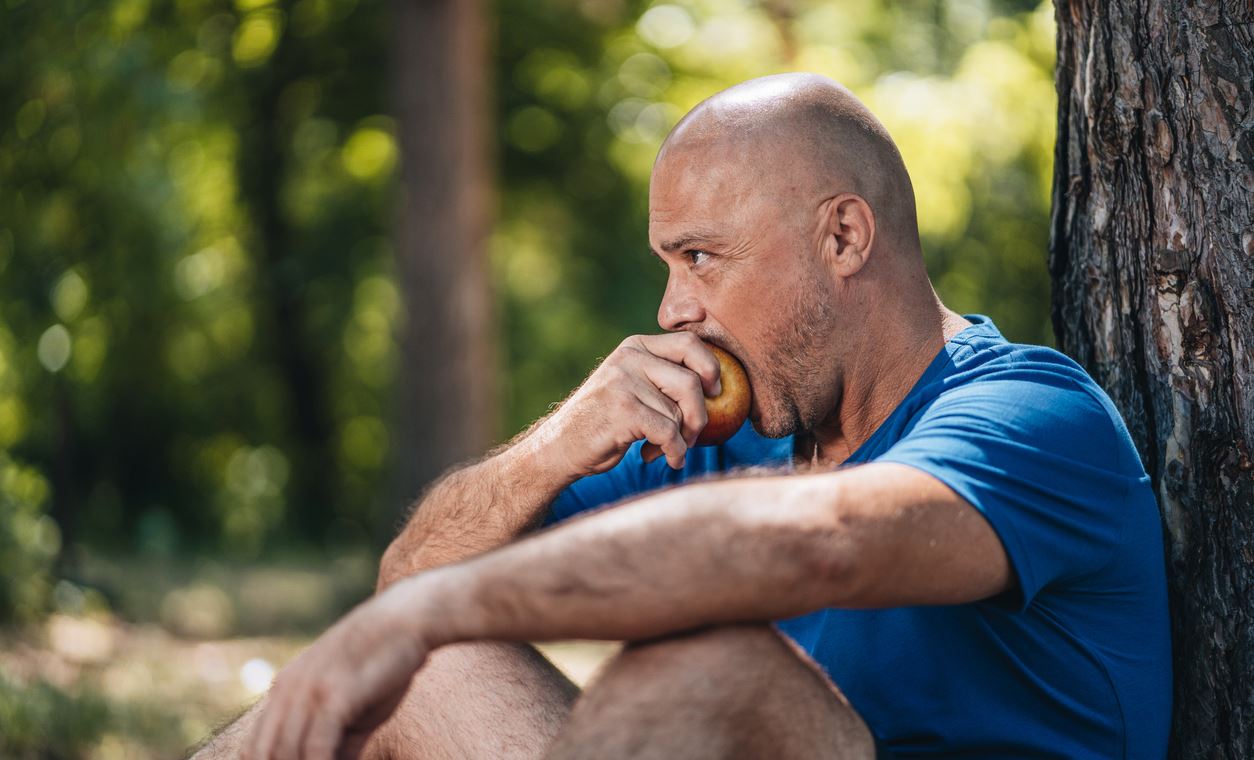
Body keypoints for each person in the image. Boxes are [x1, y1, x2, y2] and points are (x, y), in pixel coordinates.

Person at [198, 73, 1171, 760]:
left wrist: (430, 610)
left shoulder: (1036, 419)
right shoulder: (718, 430)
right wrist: (558, 441)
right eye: (667, 265)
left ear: (843, 235)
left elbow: (816, 546)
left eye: (700, 259)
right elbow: (409, 576)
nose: (671, 311)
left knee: (710, 672)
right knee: (435, 667)